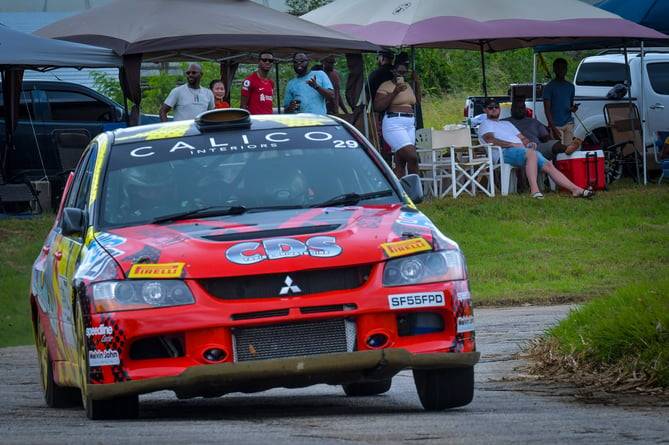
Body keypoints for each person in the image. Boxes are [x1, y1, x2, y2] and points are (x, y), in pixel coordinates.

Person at [478, 98, 594, 199]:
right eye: (490, 107)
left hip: (521, 151)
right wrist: (512, 145)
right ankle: (535, 191)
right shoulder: (485, 124)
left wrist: (529, 142)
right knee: (532, 154)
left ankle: (575, 189)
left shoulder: (506, 124)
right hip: (503, 153)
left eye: (496, 107)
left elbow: (523, 138)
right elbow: (491, 140)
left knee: (548, 164)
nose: (494, 109)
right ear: (485, 110)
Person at [373, 61, 421, 178]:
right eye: (399, 72)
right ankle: (416, 190)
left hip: (409, 124)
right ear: (393, 72)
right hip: (394, 123)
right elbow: (378, 106)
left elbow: (417, 102)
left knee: (401, 161)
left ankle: (402, 191)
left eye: (404, 73)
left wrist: (417, 82)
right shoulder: (386, 85)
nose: (402, 75)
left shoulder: (408, 85)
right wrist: (395, 92)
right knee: (412, 156)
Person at [504, 96, 581, 161]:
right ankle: (569, 149)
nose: (519, 110)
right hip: (515, 149)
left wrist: (554, 140)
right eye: (517, 107)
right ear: (511, 109)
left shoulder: (534, 122)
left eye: (522, 107)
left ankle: (568, 149)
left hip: (536, 147)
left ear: (525, 109)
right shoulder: (504, 123)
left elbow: (546, 138)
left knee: (554, 144)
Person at [543, 58, 579, 145]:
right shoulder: (549, 87)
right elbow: (547, 111)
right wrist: (553, 129)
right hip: (556, 126)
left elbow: (570, 107)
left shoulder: (570, 86)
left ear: (566, 69)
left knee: (568, 151)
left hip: (568, 124)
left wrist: (574, 108)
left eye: (563, 68)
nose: (561, 70)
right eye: (558, 68)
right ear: (554, 70)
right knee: (559, 151)